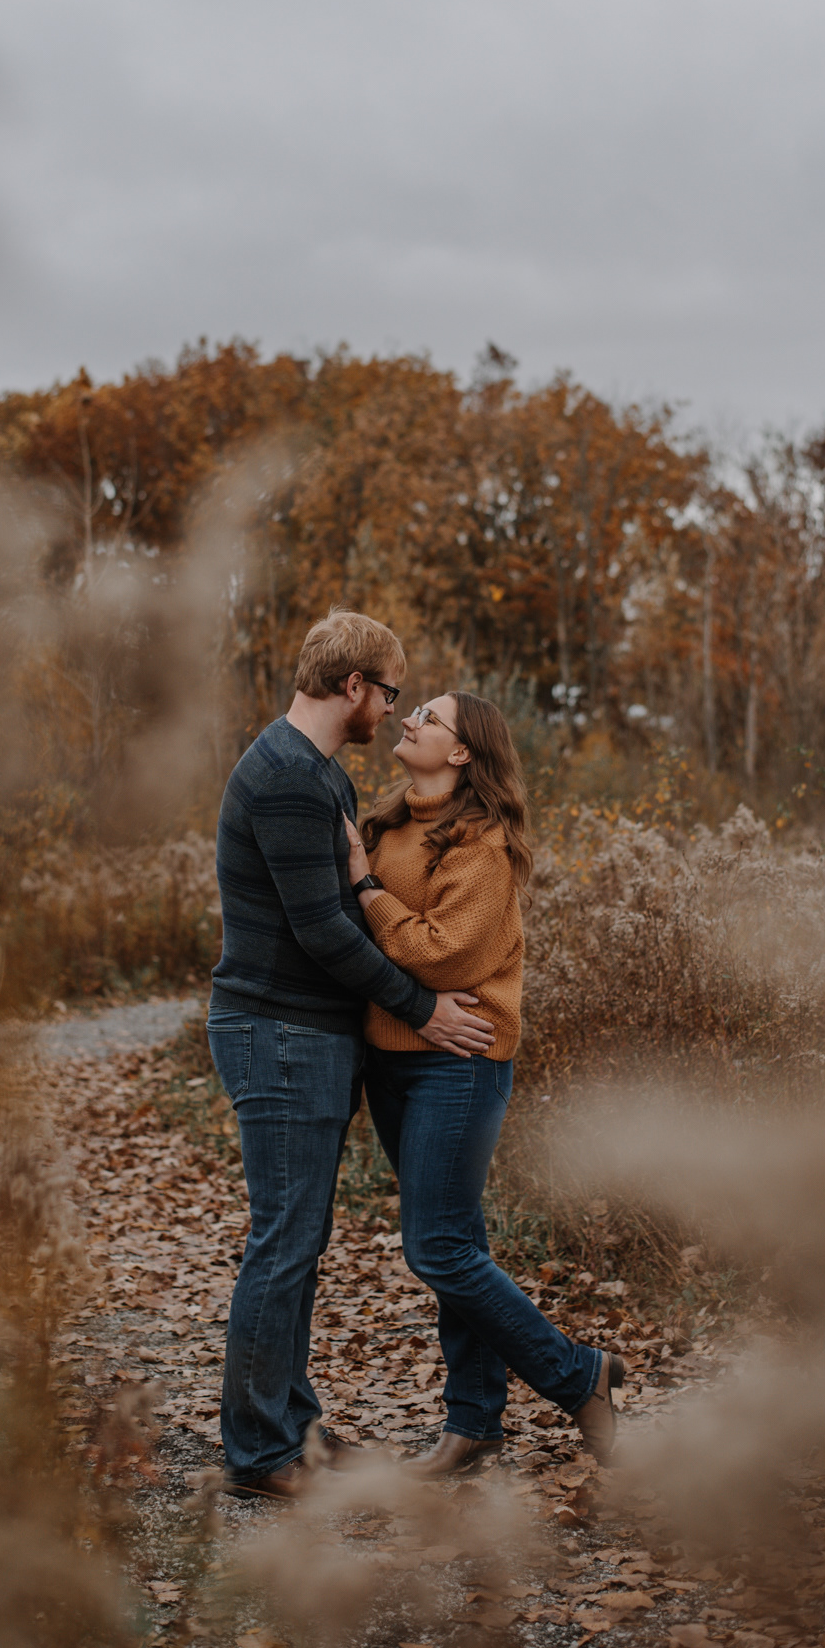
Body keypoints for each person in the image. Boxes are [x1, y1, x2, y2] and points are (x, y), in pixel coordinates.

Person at [208, 611, 490, 1500]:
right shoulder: (290, 779)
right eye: (390, 693)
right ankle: (261, 1454)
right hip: (278, 1033)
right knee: (284, 1242)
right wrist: (423, 1009)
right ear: (354, 686)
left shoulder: (317, 772)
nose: (393, 712)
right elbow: (323, 931)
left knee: (299, 1240)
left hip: (306, 1037)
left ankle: (292, 1428)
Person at [343, 691, 625, 1475]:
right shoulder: (386, 824)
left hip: (459, 1062)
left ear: (462, 752)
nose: (408, 720)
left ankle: (578, 1374)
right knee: (455, 1242)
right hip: (391, 1057)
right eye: (413, 711)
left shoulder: (480, 845)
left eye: (429, 718)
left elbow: (445, 956)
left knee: (435, 1247)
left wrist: (366, 889)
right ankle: (473, 1423)